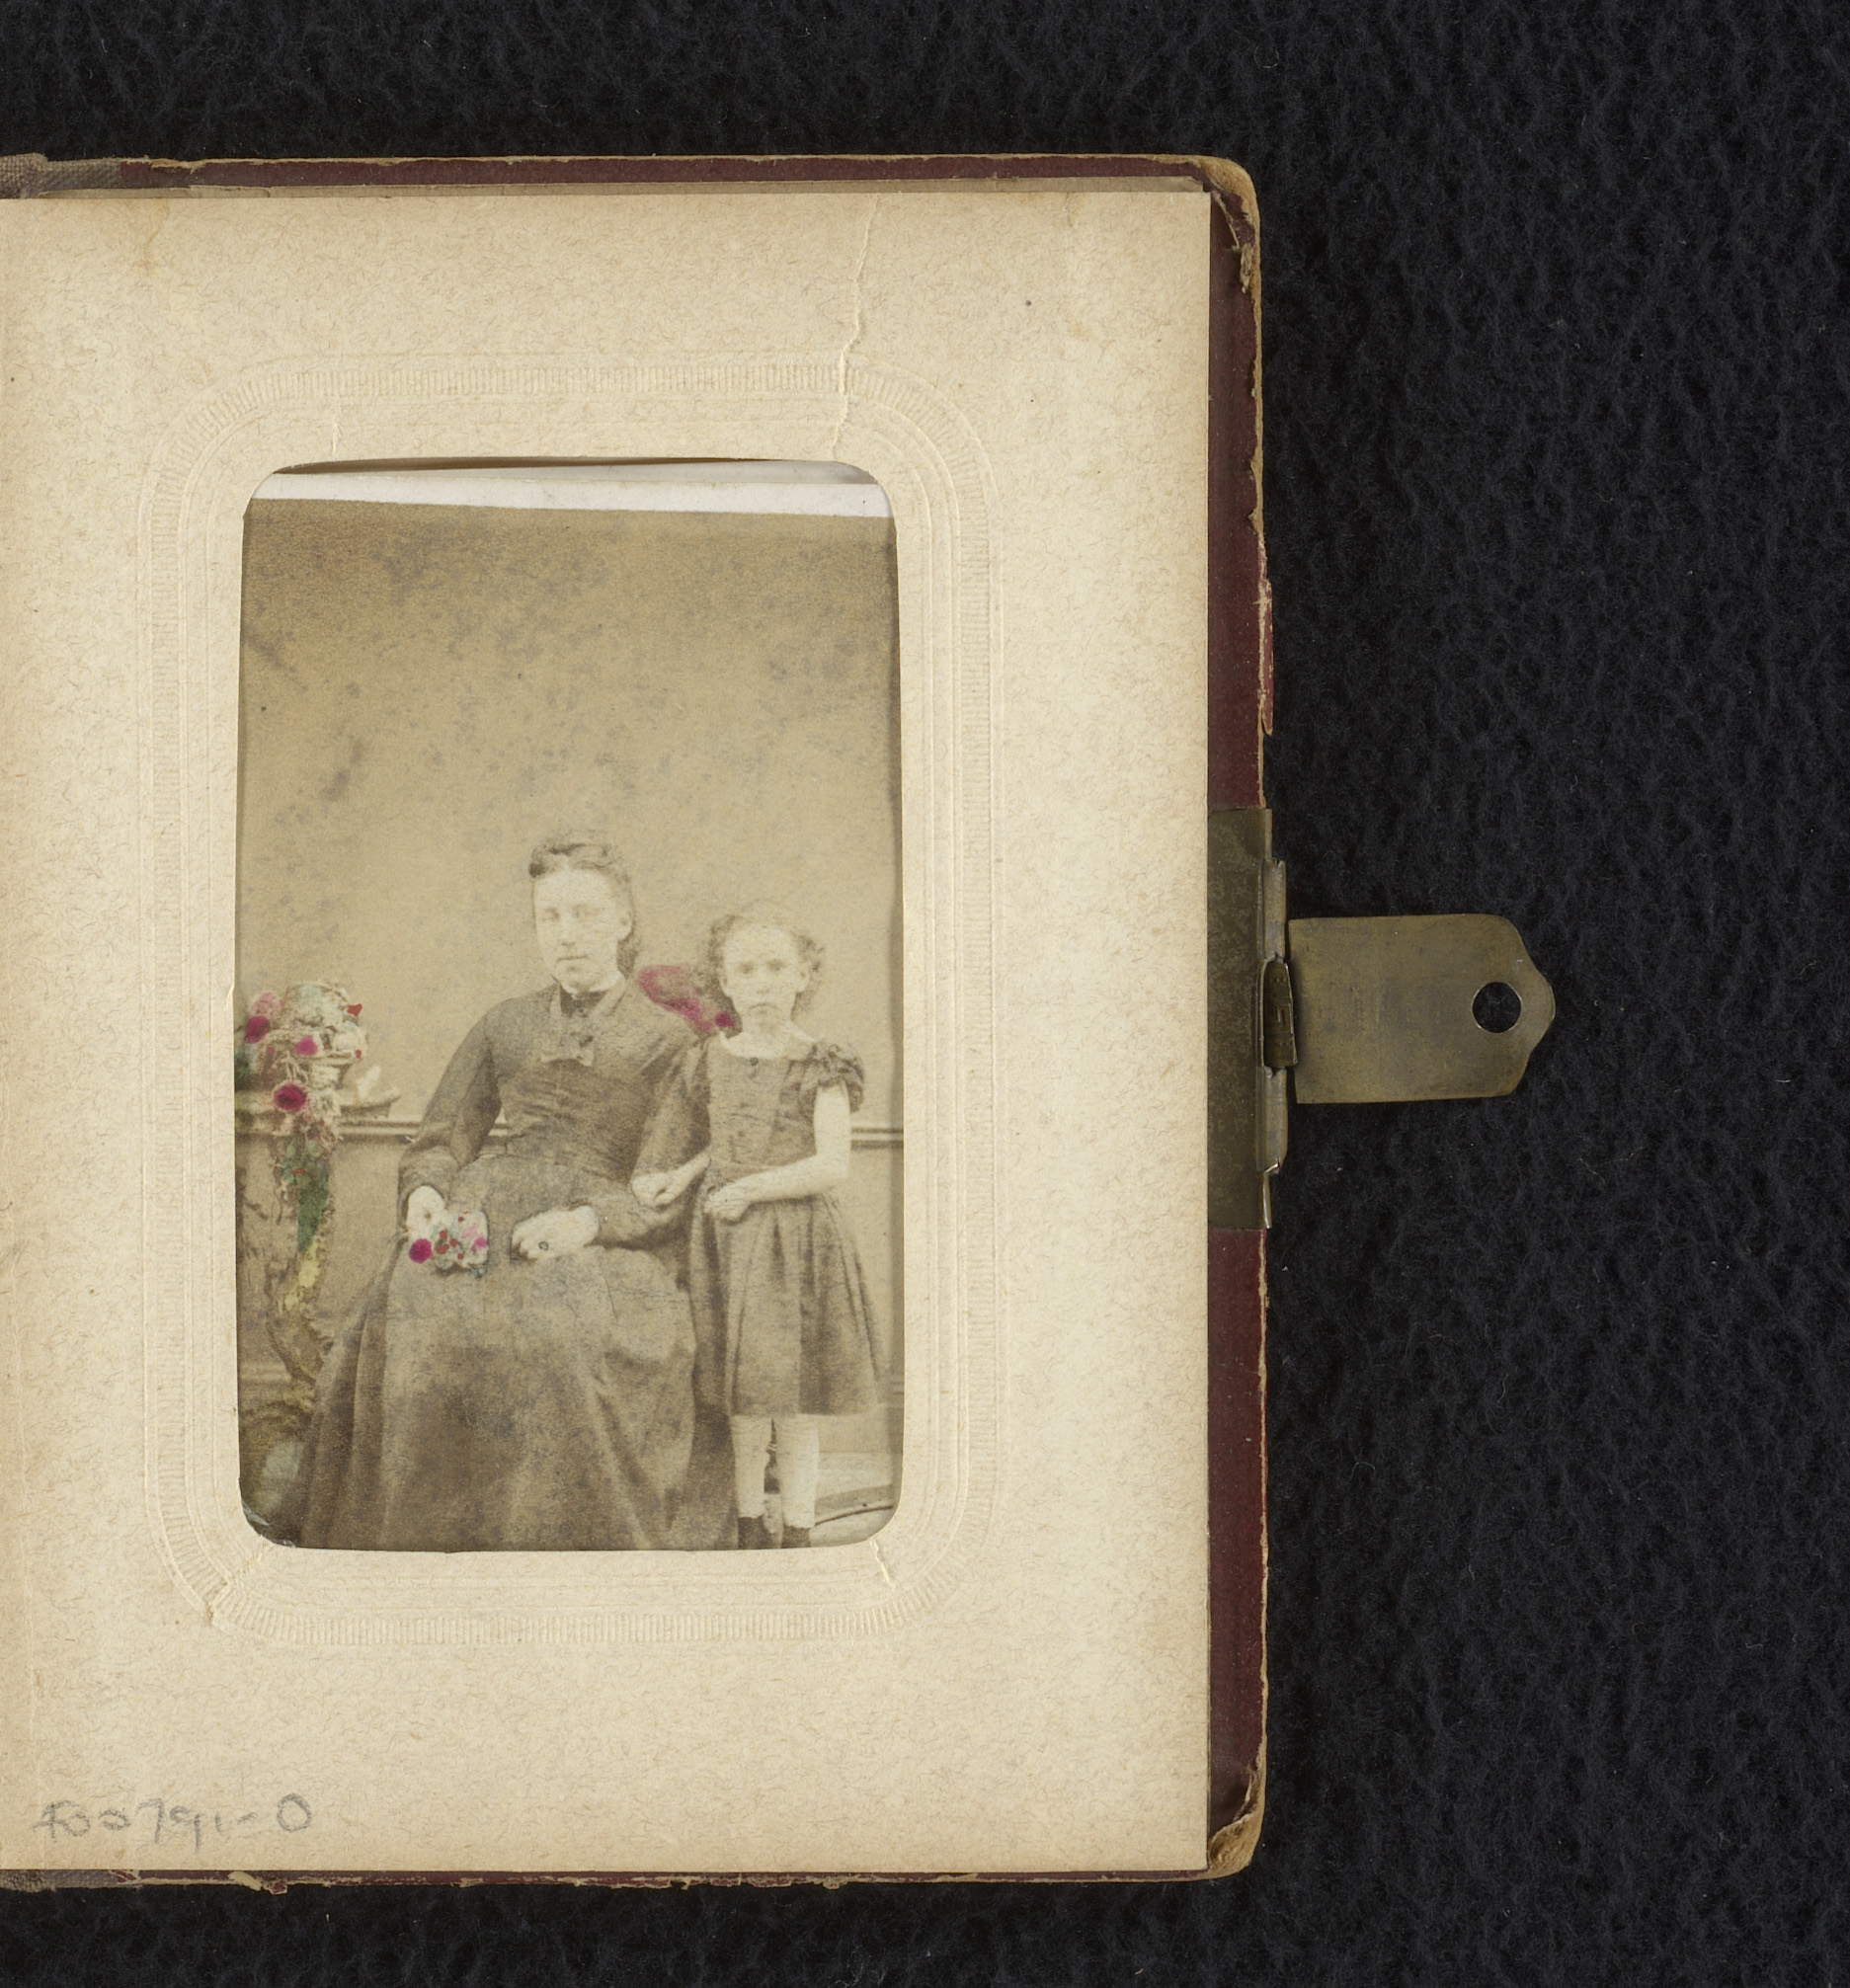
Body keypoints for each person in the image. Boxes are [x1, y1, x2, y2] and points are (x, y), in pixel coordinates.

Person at [284, 835, 733, 1552]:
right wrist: (426, 1195)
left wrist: (586, 1222)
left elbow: (662, 1185)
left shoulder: (668, 1041)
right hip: (483, 1209)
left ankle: (542, 1548)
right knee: (424, 1322)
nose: (566, 934)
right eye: (549, 917)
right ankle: (429, 1542)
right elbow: (441, 1137)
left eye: (585, 914)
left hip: (601, 1232)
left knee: (555, 1337)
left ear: (623, 921)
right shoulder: (506, 1022)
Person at [633, 905, 882, 1549]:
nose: (762, 983)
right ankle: (748, 1527)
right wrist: (682, 1176)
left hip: (794, 1245)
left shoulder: (821, 1061)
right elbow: (723, 1142)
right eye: (745, 970)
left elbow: (831, 1164)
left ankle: (796, 1530)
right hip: (727, 1244)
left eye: (777, 967)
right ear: (724, 981)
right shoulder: (710, 1058)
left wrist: (748, 1190)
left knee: (790, 1404)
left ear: (803, 975)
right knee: (743, 1405)